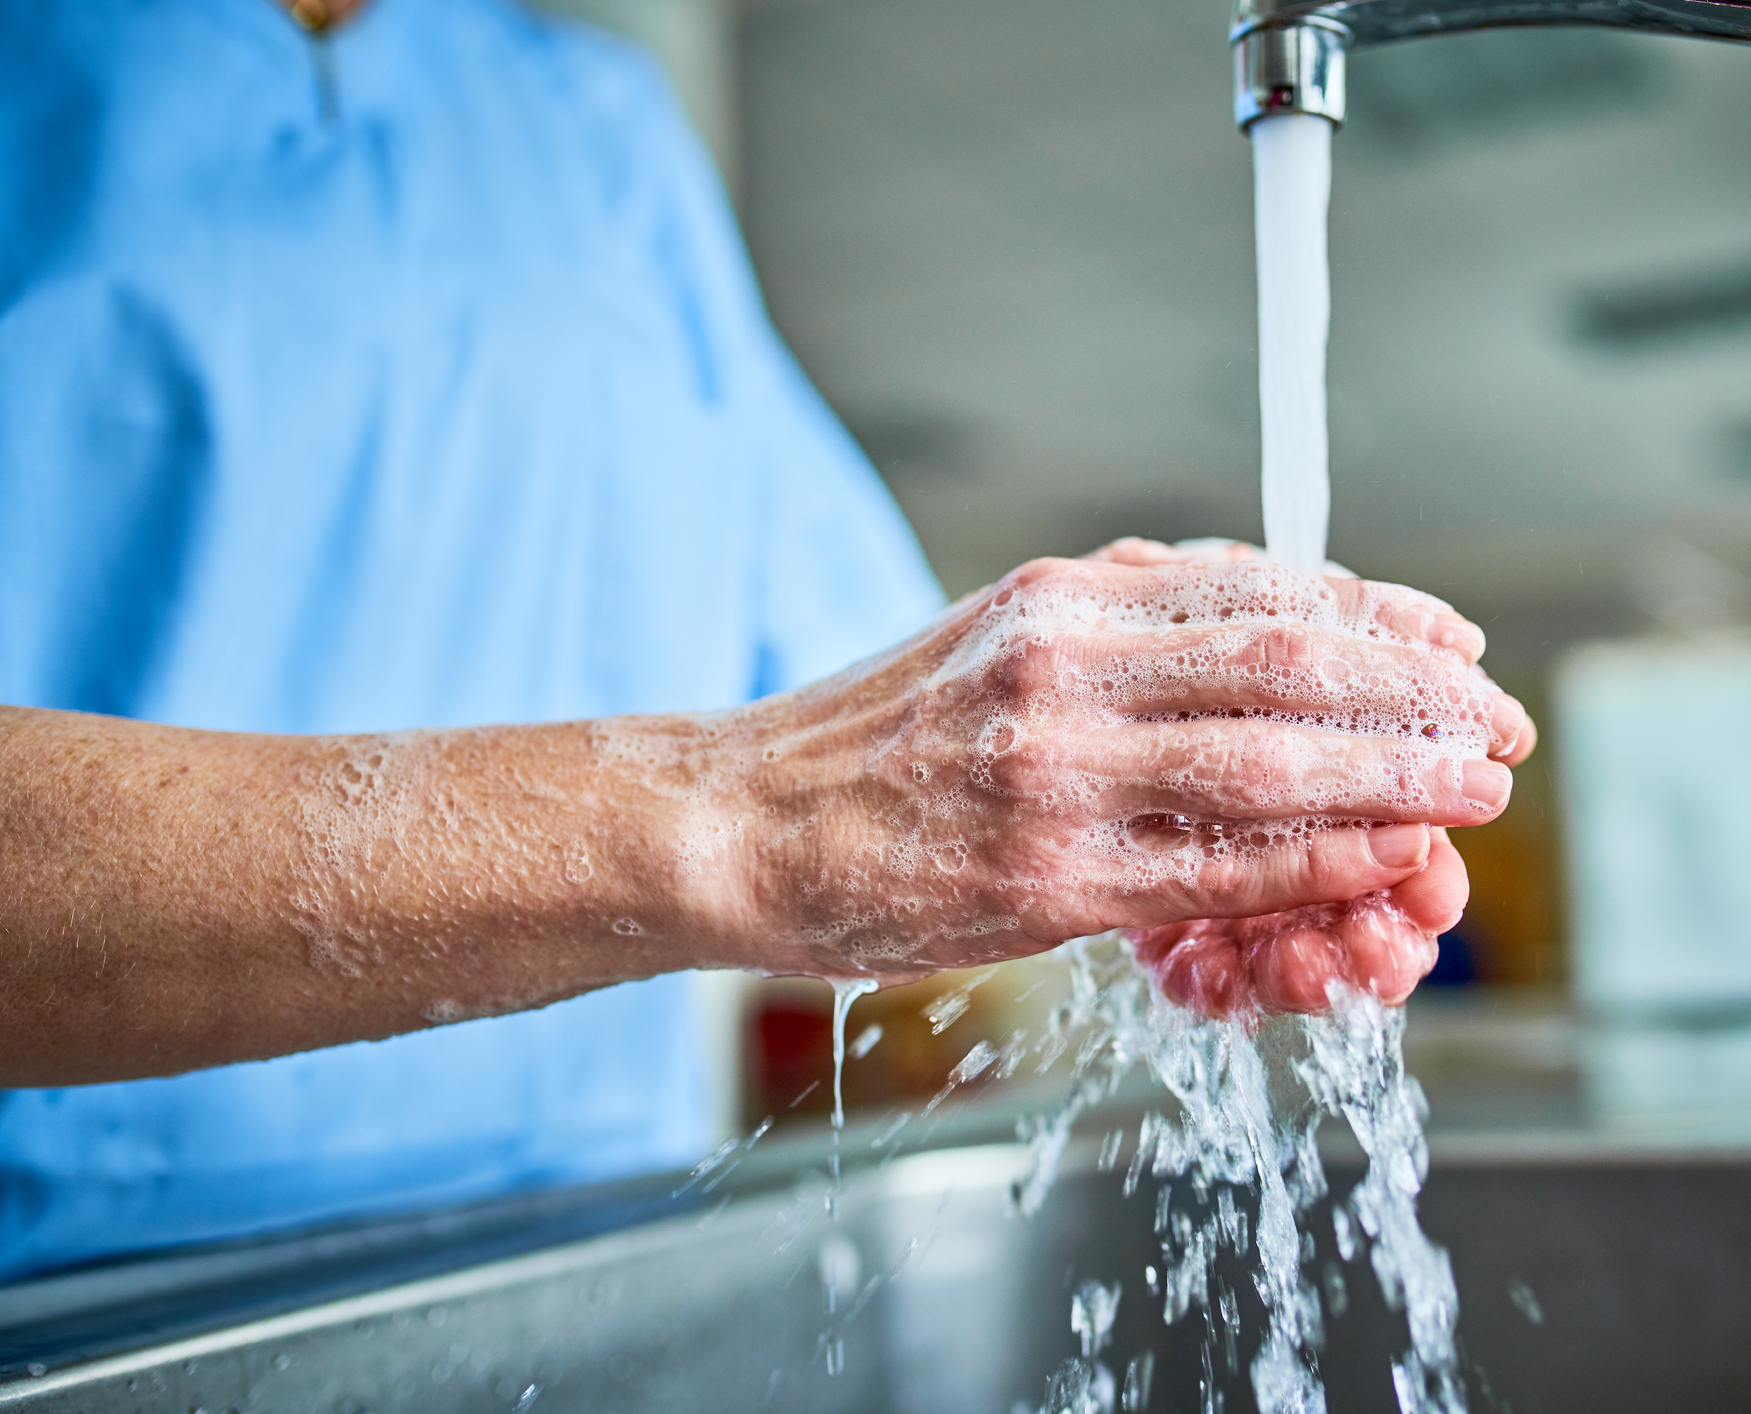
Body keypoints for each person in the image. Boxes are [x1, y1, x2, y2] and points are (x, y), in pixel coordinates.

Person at [0, 0, 1535, 1281]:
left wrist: (1154, 735)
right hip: (78, 1304)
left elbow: (877, 685)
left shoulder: (596, 133)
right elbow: (806, 779)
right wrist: (748, 819)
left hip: (587, 1275)